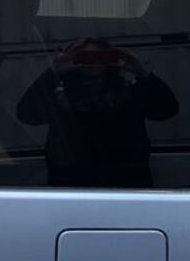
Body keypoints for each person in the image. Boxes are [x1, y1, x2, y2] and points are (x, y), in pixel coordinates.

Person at [16, 38, 178, 187]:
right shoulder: (60, 97)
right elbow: (27, 114)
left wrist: (142, 72)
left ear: (109, 60)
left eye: (99, 57)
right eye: (84, 57)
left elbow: (166, 110)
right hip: (71, 188)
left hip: (127, 188)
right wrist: (53, 72)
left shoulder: (129, 93)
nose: (92, 62)